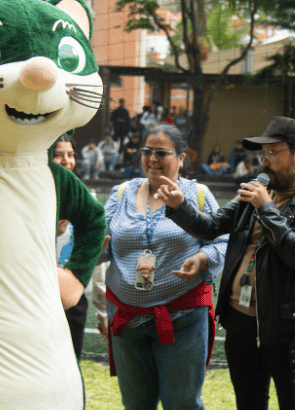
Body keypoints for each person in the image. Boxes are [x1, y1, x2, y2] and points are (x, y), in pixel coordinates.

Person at [156, 116, 295, 410]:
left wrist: (265, 208)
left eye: (272, 153)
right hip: (240, 321)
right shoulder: (254, 191)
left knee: (293, 404)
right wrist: (180, 207)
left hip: (288, 327)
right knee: (248, 403)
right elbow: (210, 227)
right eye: (261, 154)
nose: (264, 162)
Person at [102, 124, 227, 410]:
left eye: (162, 152)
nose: (152, 158)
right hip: (126, 318)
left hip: (182, 318)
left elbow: (223, 241)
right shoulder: (122, 193)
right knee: (135, 404)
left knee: (181, 403)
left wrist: (202, 259)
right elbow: (102, 241)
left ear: (182, 158)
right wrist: (98, 249)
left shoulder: (197, 194)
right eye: (147, 151)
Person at [51, 134, 89, 360]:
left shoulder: (85, 198)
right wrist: (50, 232)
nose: (66, 161)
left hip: (72, 293)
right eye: (58, 155)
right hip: (39, 290)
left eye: (71, 154)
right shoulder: (34, 196)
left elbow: (91, 252)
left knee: (71, 362)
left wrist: (102, 309)